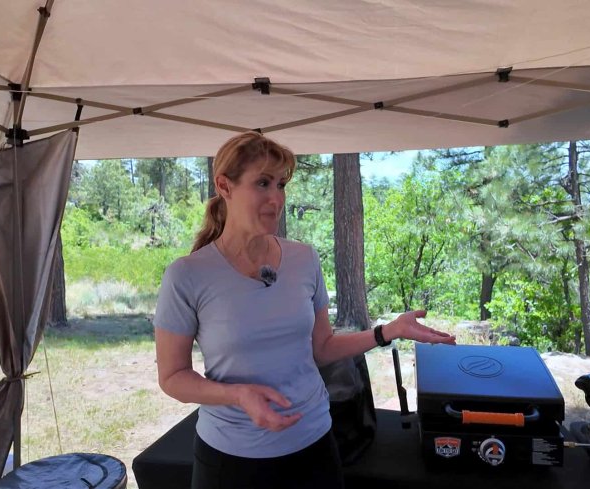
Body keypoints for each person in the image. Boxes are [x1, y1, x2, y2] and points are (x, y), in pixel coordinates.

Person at [154, 131, 456, 489]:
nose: (275, 198)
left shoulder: (303, 259)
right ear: (224, 186)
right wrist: (237, 395)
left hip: (313, 447)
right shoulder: (188, 275)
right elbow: (172, 377)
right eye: (262, 183)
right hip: (232, 459)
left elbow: (322, 347)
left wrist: (386, 331)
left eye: (280, 185)